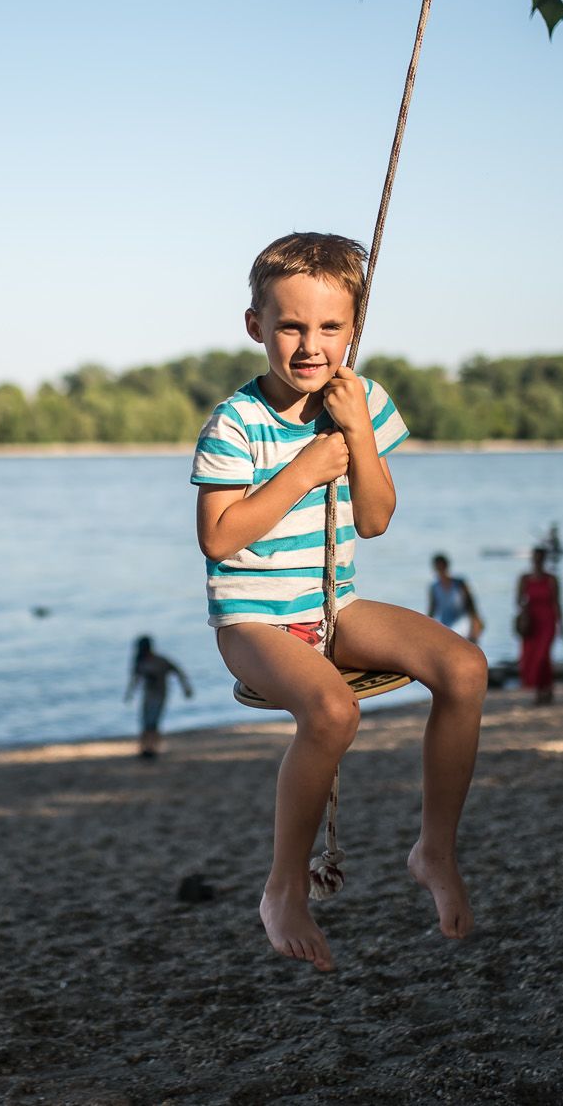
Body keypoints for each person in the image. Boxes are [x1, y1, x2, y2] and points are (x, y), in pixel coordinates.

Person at [192, 232, 488, 972]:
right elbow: (219, 539)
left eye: (330, 327)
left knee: (465, 667)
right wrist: (303, 470)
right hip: (253, 620)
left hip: (333, 606)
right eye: (291, 325)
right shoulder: (234, 423)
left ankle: (434, 850)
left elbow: (376, 519)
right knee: (332, 712)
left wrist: (355, 430)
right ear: (256, 325)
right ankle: (283, 888)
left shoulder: (362, 401)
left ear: (354, 328)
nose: (311, 345)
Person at [125, 636, 194, 759]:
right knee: (145, 723)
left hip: (159, 697)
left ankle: (153, 748)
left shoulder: (160, 661)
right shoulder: (141, 662)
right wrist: (130, 694)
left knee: (153, 723)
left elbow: (178, 671)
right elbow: (135, 679)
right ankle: (144, 748)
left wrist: (186, 688)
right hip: (147, 697)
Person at [514, 546, 563, 704]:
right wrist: (523, 615)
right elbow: (518, 600)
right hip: (532, 622)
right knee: (531, 656)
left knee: (543, 656)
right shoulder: (524, 579)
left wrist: (562, 624)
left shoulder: (551, 579)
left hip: (548, 621)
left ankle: (547, 689)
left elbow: (557, 602)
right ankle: (539, 691)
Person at [427, 554, 483, 644]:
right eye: (438, 567)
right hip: (444, 623)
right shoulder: (434, 587)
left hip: (462, 622)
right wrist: (426, 628)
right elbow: (432, 611)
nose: (440, 570)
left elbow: (471, 606)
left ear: (446, 566)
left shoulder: (459, 584)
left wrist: (476, 625)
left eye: (442, 566)